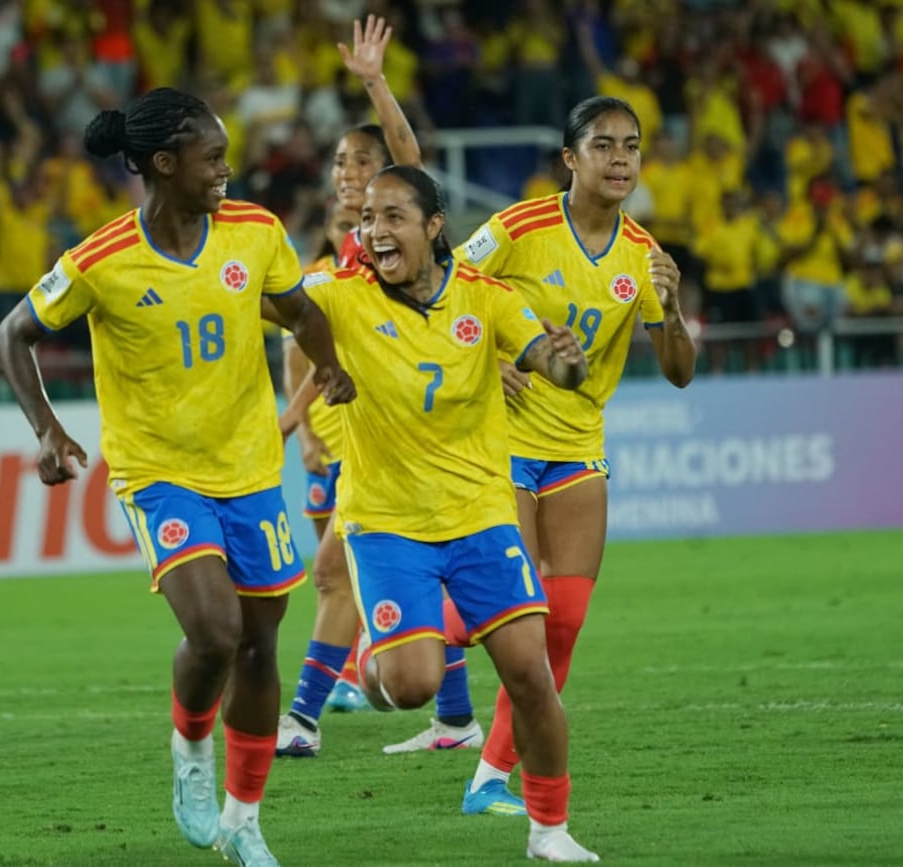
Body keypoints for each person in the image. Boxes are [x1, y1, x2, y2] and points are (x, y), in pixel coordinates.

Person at [0, 87, 355, 867]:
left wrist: (329, 366)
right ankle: (191, 752)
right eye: (213, 158)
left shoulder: (255, 233)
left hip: (252, 467)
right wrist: (49, 429)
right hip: (158, 472)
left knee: (260, 644)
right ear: (165, 164)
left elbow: (298, 311)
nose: (228, 170)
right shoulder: (101, 260)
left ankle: (243, 818)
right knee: (215, 630)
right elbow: (13, 332)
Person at [391, 96, 697, 815]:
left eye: (632, 146)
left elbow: (680, 371)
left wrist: (674, 309)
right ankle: (416, 619)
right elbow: (439, 289)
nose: (620, 159)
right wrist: (485, 353)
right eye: (603, 145)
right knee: (516, 609)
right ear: (570, 158)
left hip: (578, 448)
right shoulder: (519, 228)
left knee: (562, 622)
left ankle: (489, 778)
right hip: (502, 442)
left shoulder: (643, 256)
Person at [305, 164, 600, 863]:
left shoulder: (486, 297)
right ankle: (375, 669)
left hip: (479, 516)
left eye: (392, 217)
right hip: (385, 523)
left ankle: (549, 829)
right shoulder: (342, 296)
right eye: (367, 219)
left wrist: (568, 364)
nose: (374, 231)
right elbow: (279, 301)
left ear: (435, 227)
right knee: (411, 686)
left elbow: (552, 365)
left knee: (531, 672)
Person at [278, 14, 484, 757]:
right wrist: (299, 420)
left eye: (358, 164)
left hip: (398, 439)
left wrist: (374, 82)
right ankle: (456, 719)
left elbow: (409, 155)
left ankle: (302, 718)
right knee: (340, 576)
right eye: (339, 165)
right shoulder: (336, 251)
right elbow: (309, 341)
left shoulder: (386, 247)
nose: (345, 176)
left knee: (333, 572)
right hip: (346, 437)